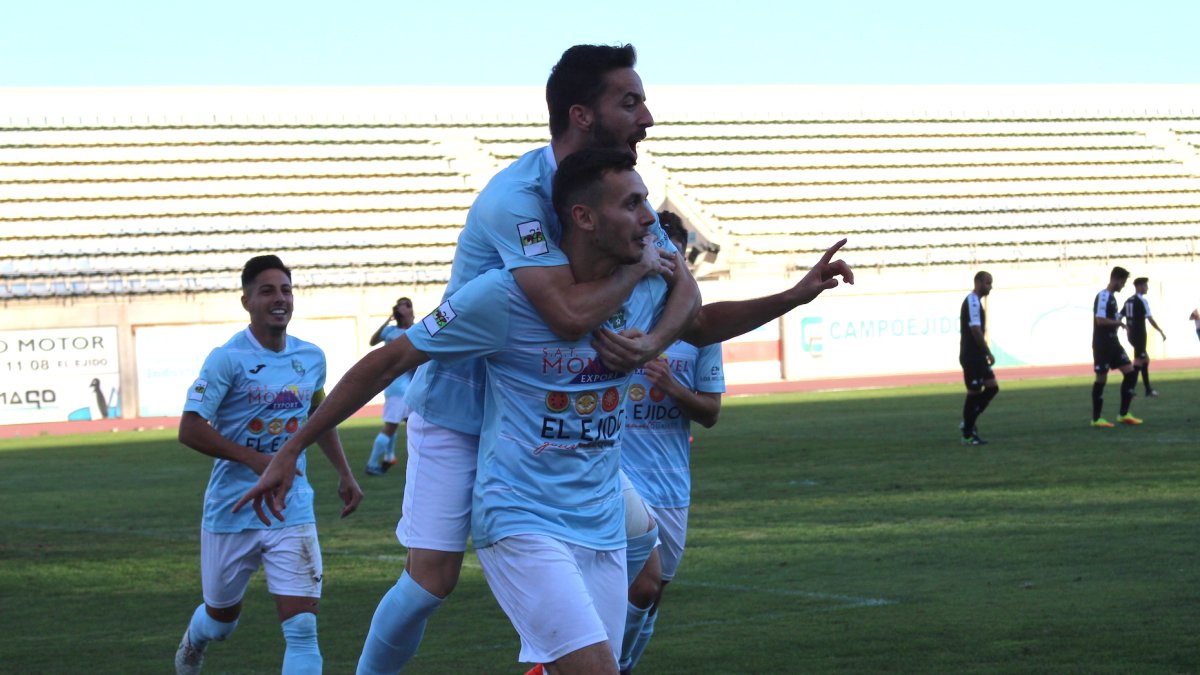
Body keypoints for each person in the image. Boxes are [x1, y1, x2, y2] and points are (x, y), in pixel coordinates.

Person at [173, 255, 363, 675]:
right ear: (247, 302)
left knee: (302, 630)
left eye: (286, 290)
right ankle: (195, 639)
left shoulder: (311, 357)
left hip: (290, 505)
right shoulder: (227, 359)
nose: (280, 299)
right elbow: (189, 429)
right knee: (221, 623)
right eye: (268, 291)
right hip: (232, 508)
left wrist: (344, 473)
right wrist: (261, 460)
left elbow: (319, 419)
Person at [618, 212, 725, 673]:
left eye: (675, 257)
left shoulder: (700, 332)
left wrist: (673, 388)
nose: (669, 266)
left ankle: (616, 666)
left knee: (652, 595)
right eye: (660, 255)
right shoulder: (619, 315)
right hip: (619, 478)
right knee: (637, 587)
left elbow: (711, 413)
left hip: (670, 484)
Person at [365, 296, 415, 475]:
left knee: (410, 424)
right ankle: (372, 464)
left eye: (405, 306)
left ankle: (389, 457)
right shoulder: (392, 331)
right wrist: (388, 319)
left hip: (405, 387)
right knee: (394, 426)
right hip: (398, 387)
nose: (401, 309)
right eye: (399, 306)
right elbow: (372, 341)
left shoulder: (414, 331)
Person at [1091, 266, 1142, 427]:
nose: (1124, 285)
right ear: (1117, 280)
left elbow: (1112, 317)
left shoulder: (1112, 298)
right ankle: (1096, 418)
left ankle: (1123, 414)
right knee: (1101, 379)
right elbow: (1100, 320)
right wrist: (1119, 322)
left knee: (1130, 372)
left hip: (1113, 343)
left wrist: (1122, 318)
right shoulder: (1103, 296)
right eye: (1123, 282)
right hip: (1102, 344)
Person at [959, 271, 998, 445]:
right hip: (972, 355)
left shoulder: (976, 302)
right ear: (978, 282)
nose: (990, 286)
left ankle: (968, 423)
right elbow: (975, 330)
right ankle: (968, 433)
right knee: (974, 393)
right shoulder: (972, 301)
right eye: (988, 283)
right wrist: (987, 351)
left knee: (992, 387)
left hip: (977, 355)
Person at [1120, 278, 1166, 397]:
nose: (1147, 288)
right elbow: (1149, 318)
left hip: (1131, 334)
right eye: (1145, 286)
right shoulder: (1142, 301)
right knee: (1139, 361)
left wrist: (1121, 325)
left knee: (1145, 360)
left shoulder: (1128, 300)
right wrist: (1160, 331)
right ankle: (1130, 389)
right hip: (1139, 334)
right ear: (1139, 286)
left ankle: (1147, 389)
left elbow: (1120, 315)